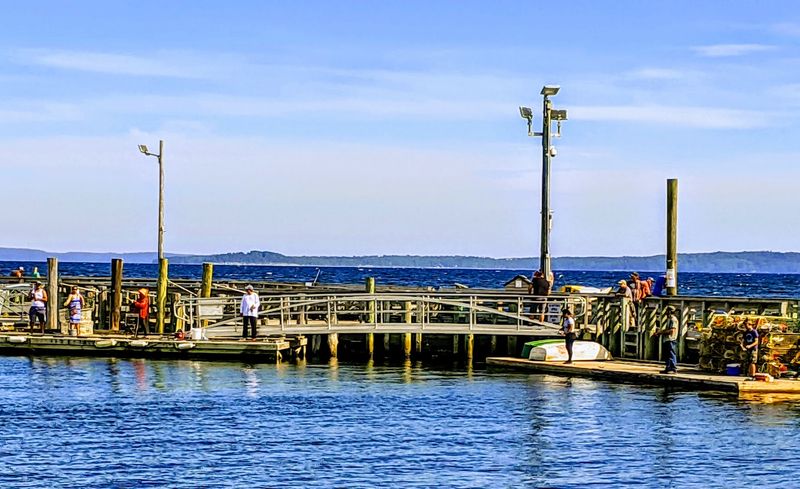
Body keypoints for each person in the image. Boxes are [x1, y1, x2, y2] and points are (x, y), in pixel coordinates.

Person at [657, 306, 679, 374]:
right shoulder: (669, 319)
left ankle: (673, 368)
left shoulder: (673, 319)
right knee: (667, 355)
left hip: (671, 339)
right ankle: (668, 367)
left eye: (667, 311)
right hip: (667, 339)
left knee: (671, 354)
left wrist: (661, 332)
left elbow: (672, 330)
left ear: (670, 311)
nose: (665, 312)